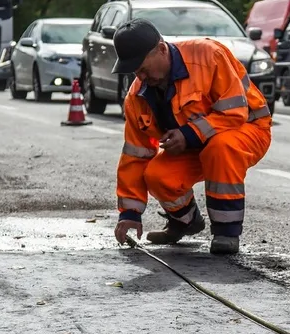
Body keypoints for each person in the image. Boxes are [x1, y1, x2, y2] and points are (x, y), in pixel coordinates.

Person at [110, 18, 273, 255]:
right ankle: (186, 222)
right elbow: (135, 155)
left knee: (220, 147)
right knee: (157, 175)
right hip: (198, 144)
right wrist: (129, 214)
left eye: (143, 68)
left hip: (247, 129)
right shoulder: (137, 98)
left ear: (161, 49)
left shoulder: (208, 55)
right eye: (136, 71)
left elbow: (235, 112)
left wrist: (188, 135)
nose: (141, 77)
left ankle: (226, 233)